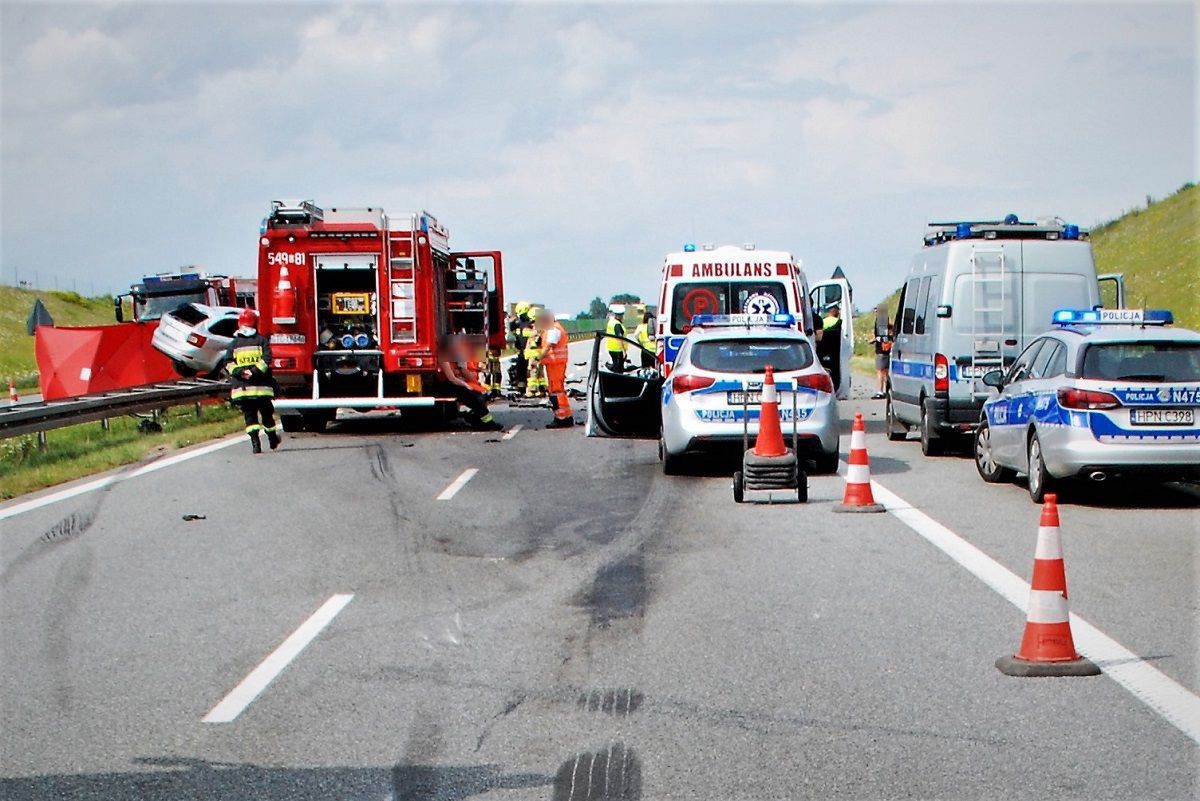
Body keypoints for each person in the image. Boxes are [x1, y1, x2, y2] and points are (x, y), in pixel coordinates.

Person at [223, 308, 280, 454]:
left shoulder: (233, 344)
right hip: (261, 388)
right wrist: (253, 372)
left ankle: (255, 444)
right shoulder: (262, 340)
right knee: (267, 415)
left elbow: (228, 363)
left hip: (242, 389)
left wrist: (240, 372)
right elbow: (266, 359)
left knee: (250, 417)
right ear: (255, 323)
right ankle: (272, 439)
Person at [437, 333, 503, 431]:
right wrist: (466, 385)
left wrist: (477, 384)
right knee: (474, 398)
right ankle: (486, 422)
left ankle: (477, 419)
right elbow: (451, 378)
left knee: (480, 396)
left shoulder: (453, 354)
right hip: (448, 385)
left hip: (457, 383)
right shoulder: (443, 356)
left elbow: (463, 371)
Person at [536, 309, 575, 428]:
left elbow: (549, 346)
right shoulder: (555, 329)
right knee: (559, 391)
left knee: (556, 391)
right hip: (555, 364)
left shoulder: (554, 330)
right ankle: (566, 416)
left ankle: (561, 418)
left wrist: (538, 358)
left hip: (555, 364)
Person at [508, 301, 534, 394]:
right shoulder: (529, 324)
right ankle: (525, 388)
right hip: (525, 352)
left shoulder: (520, 324)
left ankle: (525, 388)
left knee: (525, 371)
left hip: (527, 352)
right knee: (524, 370)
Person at [817, 304, 843, 394]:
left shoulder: (823, 321)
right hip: (835, 349)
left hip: (823, 349)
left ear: (829, 312)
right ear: (836, 312)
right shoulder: (840, 322)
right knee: (836, 369)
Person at [523, 307, 546, 397]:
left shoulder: (537, 328)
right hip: (539, 354)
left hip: (534, 355)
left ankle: (532, 390)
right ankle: (541, 389)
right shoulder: (543, 327)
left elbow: (534, 340)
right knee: (540, 374)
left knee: (533, 372)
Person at [871, 321, 894, 399]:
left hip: (882, 351)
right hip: (886, 351)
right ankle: (888, 390)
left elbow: (882, 337)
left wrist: (874, 339)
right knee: (886, 372)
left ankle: (880, 391)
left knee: (880, 371)